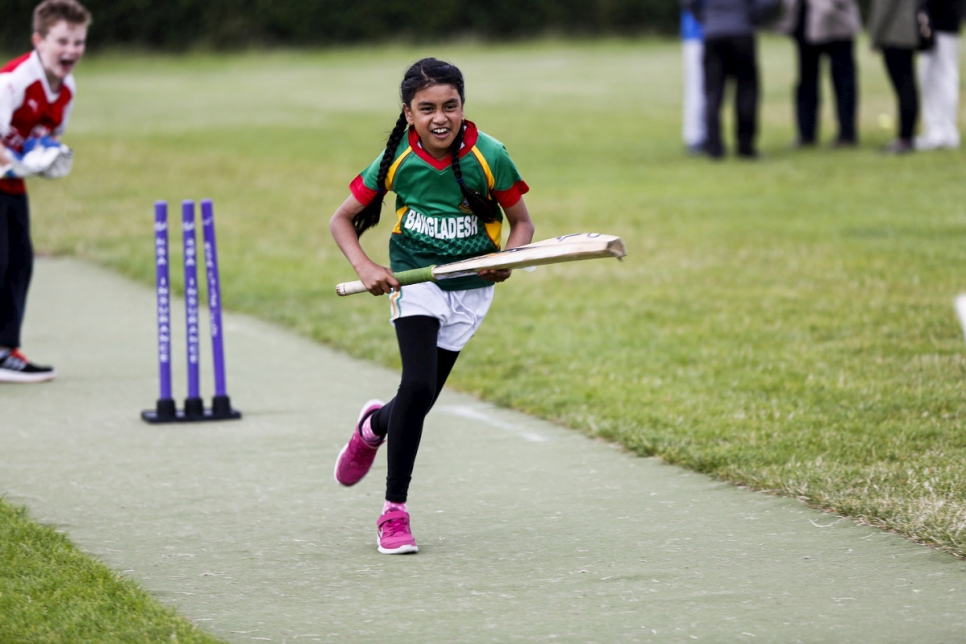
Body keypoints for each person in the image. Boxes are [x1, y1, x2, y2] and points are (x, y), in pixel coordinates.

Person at [329, 58, 535, 555]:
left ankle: (373, 426)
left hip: (469, 288)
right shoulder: (397, 158)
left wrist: (507, 259)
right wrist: (365, 266)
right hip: (414, 279)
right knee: (417, 384)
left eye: (450, 106)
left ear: (463, 106)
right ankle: (393, 513)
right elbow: (342, 220)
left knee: (419, 402)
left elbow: (522, 223)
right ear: (408, 112)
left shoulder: (490, 156)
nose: (440, 117)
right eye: (427, 109)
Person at [0, 0, 90, 383]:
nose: (71, 50)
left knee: (20, 262)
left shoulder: (66, 87)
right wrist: (17, 161)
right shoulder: (13, 81)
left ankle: (5, 352)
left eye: (79, 41)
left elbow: (49, 136)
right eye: (62, 41)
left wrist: (48, 156)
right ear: (39, 40)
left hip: (10, 184)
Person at [684, 0, 780, 159]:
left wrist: (705, 18)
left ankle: (714, 148)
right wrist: (752, 18)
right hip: (742, 32)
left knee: (713, 93)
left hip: (713, 33)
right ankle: (745, 147)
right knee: (747, 91)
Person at [776, 0, 862, 148]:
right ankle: (806, 134)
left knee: (844, 81)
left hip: (837, 22)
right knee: (806, 81)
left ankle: (847, 134)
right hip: (806, 22)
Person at [868, 0, 921, 153]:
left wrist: (875, 38)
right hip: (908, 33)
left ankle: (905, 138)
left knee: (904, 87)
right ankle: (907, 136)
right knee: (908, 85)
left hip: (894, 35)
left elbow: (883, 8)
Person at [915, 0, 963, 150]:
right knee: (939, 75)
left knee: (938, 76)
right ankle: (941, 130)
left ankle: (939, 131)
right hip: (944, 21)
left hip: (940, 22)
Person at [681, 8, 707, 154]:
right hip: (696, 33)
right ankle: (695, 136)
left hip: (713, 29)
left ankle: (707, 136)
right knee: (697, 87)